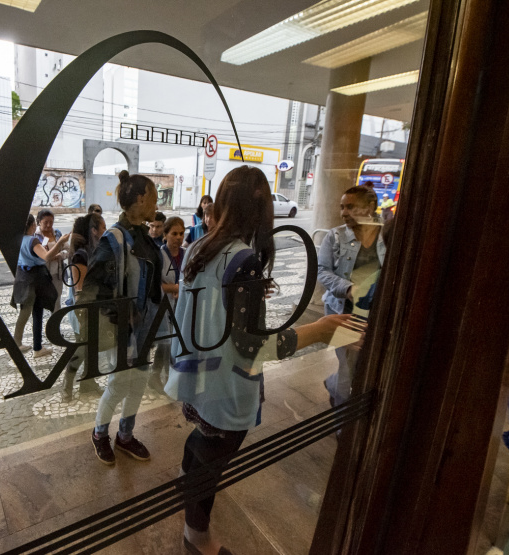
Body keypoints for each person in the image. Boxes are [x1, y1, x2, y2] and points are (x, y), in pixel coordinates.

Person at [164, 166, 351, 555]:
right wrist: (319, 330)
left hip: (196, 375)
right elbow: (254, 346)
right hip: (226, 386)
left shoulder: (200, 246)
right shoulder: (243, 259)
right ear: (262, 210)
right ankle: (196, 536)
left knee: (202, 440)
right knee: (214, 459)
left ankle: (187, 479)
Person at [83, 170, 163, 465]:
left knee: (139, 382)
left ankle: (125, 435)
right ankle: (99, 433)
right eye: (154, 198)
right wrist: (120, 313)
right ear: (141, 199)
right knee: (119, 384)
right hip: (124, 329)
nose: (156, 204)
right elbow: (92, 287)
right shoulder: (114, 239)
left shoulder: (145, 235)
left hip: (145, 326)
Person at [318, 186, 385, 406]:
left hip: (375, 312)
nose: (343, 213)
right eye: (342, 207)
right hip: (342, 310)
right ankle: (342, 429)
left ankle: (333, 383)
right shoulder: (335, 236)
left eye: (351, 207)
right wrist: (346, 288)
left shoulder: (386, 234)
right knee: (347, 368)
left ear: (370, 207)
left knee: (365, 364)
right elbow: (322, 271)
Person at [61, 212, 107, 401]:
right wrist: (84, 314)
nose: (106, 231)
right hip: (84, 309)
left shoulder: (93, 251)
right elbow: (80, 289)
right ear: (94, 231)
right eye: (103, 227)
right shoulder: (82, 255)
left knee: (91, 347)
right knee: (82, 347)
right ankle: (67, 383)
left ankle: (88, 383)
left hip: (94, 307)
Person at [12, 214, 71, 358]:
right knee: (35, 312)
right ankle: (32, 346)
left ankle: (23, 343)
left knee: (29, 312)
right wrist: (61, 241)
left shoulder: (21, 239)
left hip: (24, 278)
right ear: (33, 225)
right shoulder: (32, 240)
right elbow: (47, 256)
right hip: (35, 281)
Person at [149, 216, 186, 390]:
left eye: (181, 233)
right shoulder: (159, 255)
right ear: (165, 235)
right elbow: (154, 285)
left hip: (181, 307)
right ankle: (157, 378)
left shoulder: (186, 254)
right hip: (163, 308)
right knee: (165, 343)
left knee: (176, 343)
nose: (178, 237)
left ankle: (169, 378)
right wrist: (175, 288)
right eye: (174, 234)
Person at [35, 209, 67, 310]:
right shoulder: (35, 236)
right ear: (39, 221)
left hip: (57, 274)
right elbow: (37, 256)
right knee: (40, 303)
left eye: (51, 222)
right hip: (42, 275)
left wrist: (61, 255)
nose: (49, 225)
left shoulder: (57, 233)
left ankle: (55, 325)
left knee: (56, 301)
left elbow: (69, 250)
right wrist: (48, 256)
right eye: (45, 222)